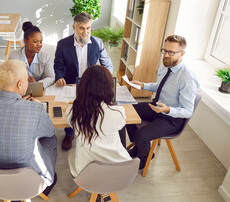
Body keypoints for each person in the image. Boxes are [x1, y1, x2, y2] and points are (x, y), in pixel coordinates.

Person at [0, 60, 57, 195]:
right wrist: (37, 106)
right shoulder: (35, 109)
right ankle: (49, 175)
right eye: (27, 79)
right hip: (29, 178)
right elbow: (50, 131)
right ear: (20, 84)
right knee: (50, 138)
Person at [126, 35, 199, 169]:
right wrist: (143, 85)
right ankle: (140, 147)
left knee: (141, 135)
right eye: (164, 50)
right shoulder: (166, 65)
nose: (165, 55)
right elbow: (161, 86)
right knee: (127, 112)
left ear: (182, 53)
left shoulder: (186, 77)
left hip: (171, 118)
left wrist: (167, 110)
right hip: (157, 107)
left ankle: (144, 158)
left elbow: (188, 111)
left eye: (171, 52)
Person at [54, 12, 113, 150]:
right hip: (70, 82)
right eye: (82, 28)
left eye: (88, 28)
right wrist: (59, 77)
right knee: (70, 108)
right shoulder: (62, 44)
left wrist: (106, 79)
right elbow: (58, 66)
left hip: (91, 83)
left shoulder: (97, 43)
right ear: (74, 27)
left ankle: (90, 131)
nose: (85, 32)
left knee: (91, 107)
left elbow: (108, 64)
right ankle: (69, 133)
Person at [66, 65, 131, 177]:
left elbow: (70, 123)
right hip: (119, 169)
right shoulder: (118, 112)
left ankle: (100, 187)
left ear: (82, 87)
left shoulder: (72, 112)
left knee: (72, 152)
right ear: (109, 88)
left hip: (85, 172)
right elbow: (120, 125)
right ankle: (104, 190)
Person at [9, 21, 55, 88]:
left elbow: (51, 77)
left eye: (41, 42)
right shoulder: (13, 56)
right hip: (19, 89)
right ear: (25, 41)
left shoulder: (45, 57)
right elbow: (8, 77)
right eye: (35, 41)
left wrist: (37, 84)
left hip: (39, 90)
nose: (39, 45)